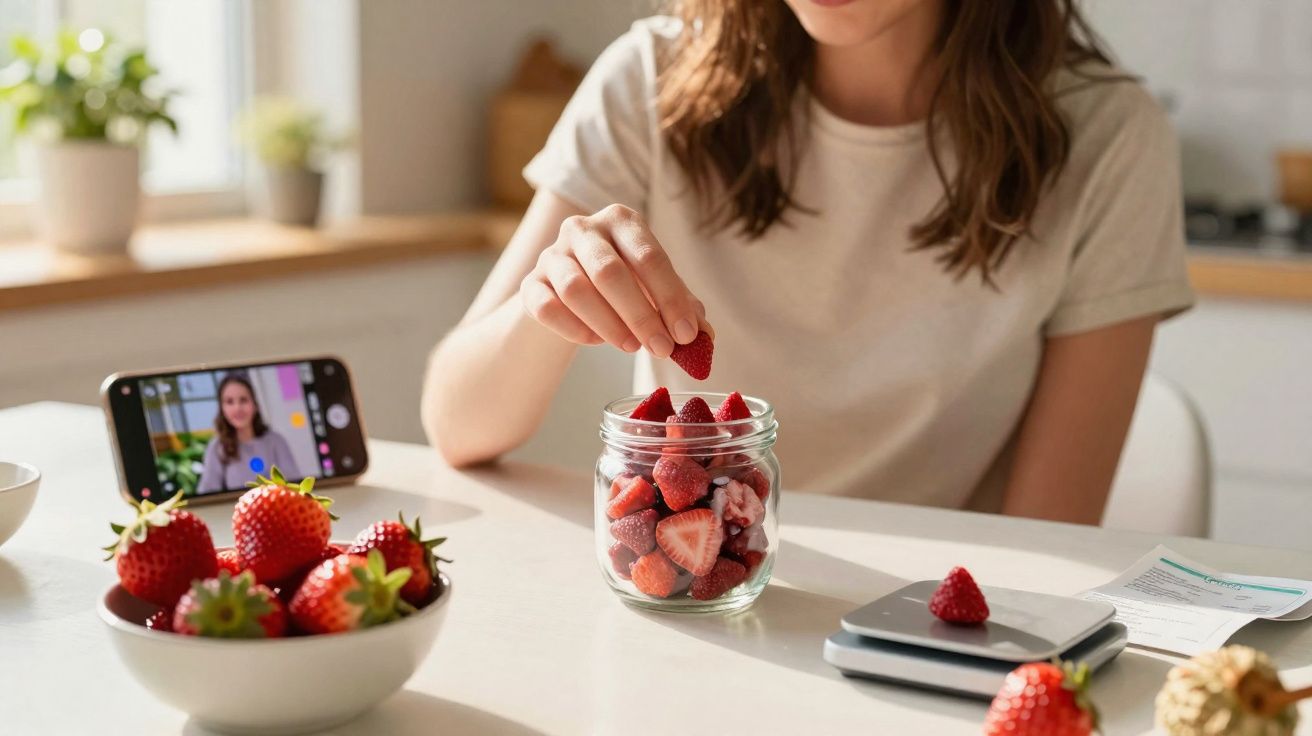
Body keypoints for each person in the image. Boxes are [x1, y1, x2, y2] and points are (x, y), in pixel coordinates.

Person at [421, 0, 1195, 525]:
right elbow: (456, 426)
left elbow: (1049, 545)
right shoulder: (648, 78)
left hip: (926, 637)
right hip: (699, 602)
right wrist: (545, 304)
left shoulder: (1108, 138)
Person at [198, 373, 300, 493]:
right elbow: (208, 493)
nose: (237, 408)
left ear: (255, 404)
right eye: (229, 402)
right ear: (222, 409)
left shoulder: (276, 441)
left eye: (243, 400)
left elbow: (294, 487)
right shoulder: (216, 448)